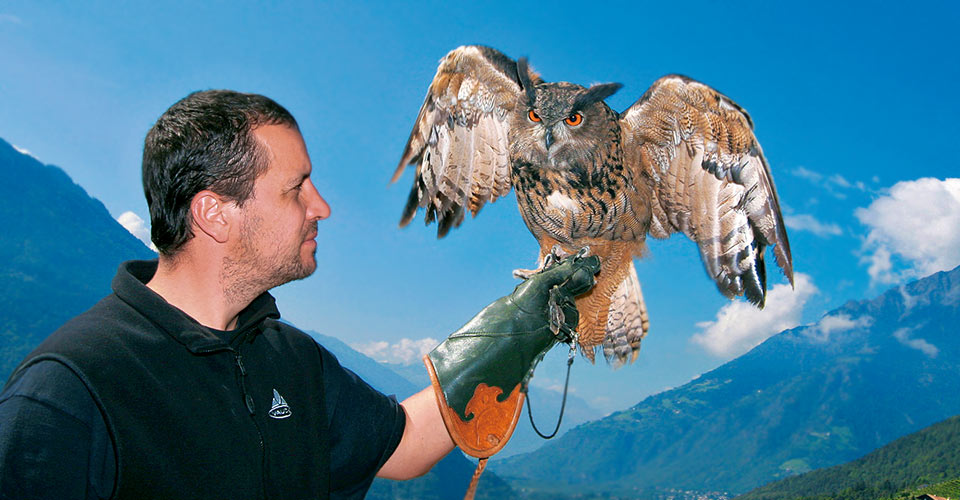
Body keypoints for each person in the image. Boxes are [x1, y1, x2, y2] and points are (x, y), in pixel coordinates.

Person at [0, 91, 456, 499]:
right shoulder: (69, 390)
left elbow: (405, 444)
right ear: (214, 214)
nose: (322, 208)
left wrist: (519, 322)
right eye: (297, 188)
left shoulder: (292, 358)